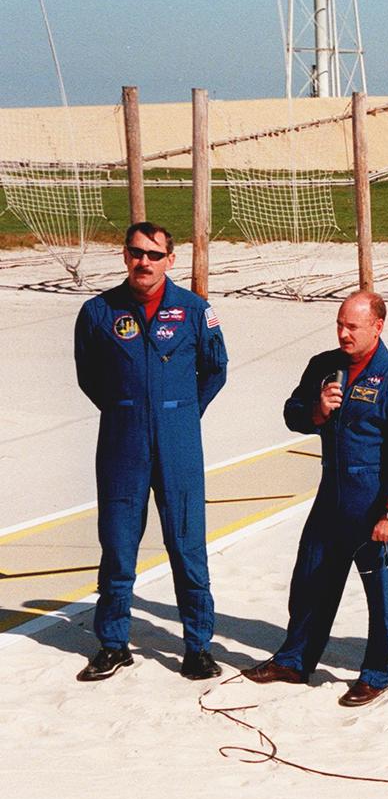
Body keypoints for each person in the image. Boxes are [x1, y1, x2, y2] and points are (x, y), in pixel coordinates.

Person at [243, 291, 388, 707]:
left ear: (377, 327)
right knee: (310, 580)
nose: (344, 333)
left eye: (353, 327)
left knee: (381, 594)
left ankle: (378, 671)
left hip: (375, 500)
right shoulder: (324, 367)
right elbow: (292, 412)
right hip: (332, 493)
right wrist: (316, 411)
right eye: (339, 325)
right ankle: (295, 660)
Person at [73, 222, 229, 681]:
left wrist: (178, 415)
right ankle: (113, 643)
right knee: (119, 544)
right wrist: (130, 409)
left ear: (171, 260)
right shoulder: (99, 312)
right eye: (137, 253)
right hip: (122, 441)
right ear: (125, 256)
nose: (145, 262)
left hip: (179, 441)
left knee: (186, 543)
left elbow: (215, 370)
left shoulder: (196, 310)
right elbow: (90, 377)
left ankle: (198, 646)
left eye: (154, 255)